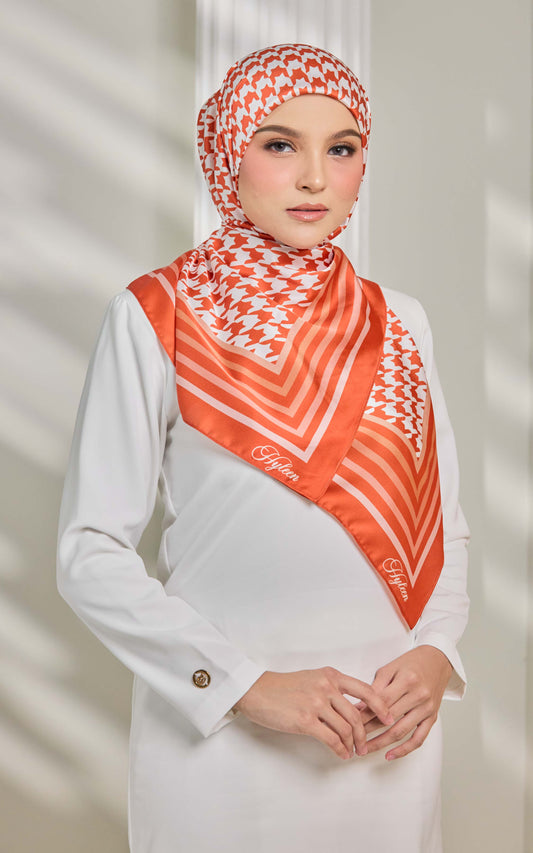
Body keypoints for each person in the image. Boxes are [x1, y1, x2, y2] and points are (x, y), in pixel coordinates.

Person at [57, 43, 469, 853]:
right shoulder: (155, 315)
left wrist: (435, 654)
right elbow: (88, 551)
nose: (315, 177)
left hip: (384, 736)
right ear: (227, 155)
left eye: (341, 149)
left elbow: (438, 523)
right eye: (279, 144)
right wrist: (240, 685)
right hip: (218, 740)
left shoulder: (399, 321)